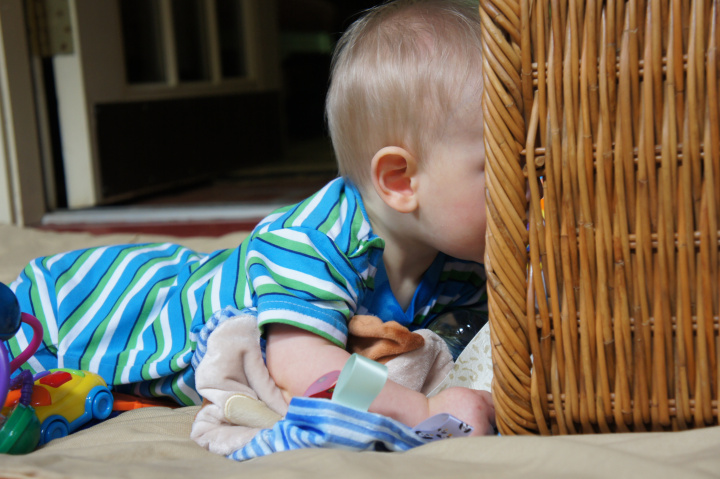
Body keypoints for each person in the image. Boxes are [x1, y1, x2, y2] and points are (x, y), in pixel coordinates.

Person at [6, 0, 494, 435]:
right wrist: (423, 408)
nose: (523, 192)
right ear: (400, 180)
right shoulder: (312, 242)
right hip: (80, 309)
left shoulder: (455, 261)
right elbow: (306, 371)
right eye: (497, 168)